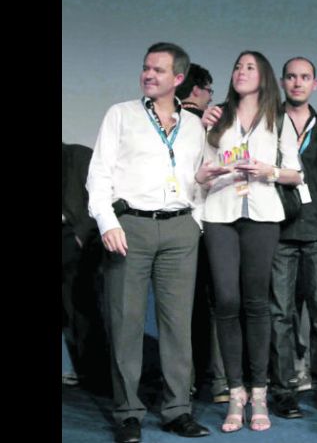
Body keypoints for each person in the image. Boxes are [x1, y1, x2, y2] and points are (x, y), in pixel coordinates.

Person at [86, 42, 210, 443]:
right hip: (130, 228)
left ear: (178, 78)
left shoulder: (194, 126)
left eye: (158, 70)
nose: (148, 75)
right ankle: (128, 413)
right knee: (127, 322)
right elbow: (99, 174)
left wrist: (196, 223)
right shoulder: (121, 114)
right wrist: (107, 221)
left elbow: (198, 179)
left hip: (179, 229)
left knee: (178, 325)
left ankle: (177, 410)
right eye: (146, 68)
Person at [196, 51, 302, 433]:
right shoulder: (217, 116)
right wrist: (207, 172)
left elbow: (296, 173)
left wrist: (267, 170)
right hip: (220, 214)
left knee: (257, 303)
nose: (241, 71)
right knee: (226, 302)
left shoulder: (278, 117)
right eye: (237, 66)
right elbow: (200, 171)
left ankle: (258, 392)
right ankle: (234, 392)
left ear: (264, 76)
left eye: (250, 67)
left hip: (262, 215)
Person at [269, 57, 317, 418]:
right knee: (280, 316)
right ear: (283, 82)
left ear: (315, 83)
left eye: (304, 77)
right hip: (278, 231)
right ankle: (283, 389)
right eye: (291, 77)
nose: (297, 83)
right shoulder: (267, 125)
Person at [177, 62, 229, 404]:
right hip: (207, 223)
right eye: (209, 90)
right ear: (196, 90)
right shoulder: (208, 126)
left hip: (177, 223)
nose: (211, 97)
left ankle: (185, 382)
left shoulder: (166, 123)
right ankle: (220, 381)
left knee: (181, 307)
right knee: (215, 304)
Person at [62, 142, 107, 390]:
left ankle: (94, 373)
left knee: (81, 302)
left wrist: (81, 234)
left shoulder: (79, 156)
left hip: (78, 238)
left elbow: (101, 198)